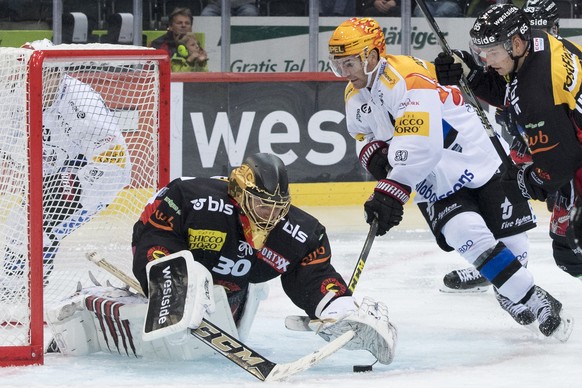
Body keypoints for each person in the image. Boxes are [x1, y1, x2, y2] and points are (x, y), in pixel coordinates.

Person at [327, 17, 572, 340]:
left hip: (479, 158)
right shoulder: (354, 95)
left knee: (513, 246)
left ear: (372, 55)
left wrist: (390, 191)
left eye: (350, 63)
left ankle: (505, 282)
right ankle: (533, 297)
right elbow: (362, 137)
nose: (345, 73)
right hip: (433, 181)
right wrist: (378, 161)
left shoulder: (406, 78)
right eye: (338, 65)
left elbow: (422, 144)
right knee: (467, 235)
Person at [46, 153, 397, 364]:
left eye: (279, 207)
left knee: (215, 312)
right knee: (185, 284)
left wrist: (335, 306)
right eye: (262, 204)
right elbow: (154, 235)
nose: (270, 216)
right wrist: (167, 274)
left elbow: (312, 274)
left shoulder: (300, 231)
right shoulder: (192, 198)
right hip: (182, 268)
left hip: (232, 289)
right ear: (239, 193)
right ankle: (97, 302)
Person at [434, 2, 582, 286]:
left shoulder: (538, 94)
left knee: (571, 252)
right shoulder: (537, 42)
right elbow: (511, 89)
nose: (487, 60)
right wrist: (472, 73)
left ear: (515, 43)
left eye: (492, 52)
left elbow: (558, 167)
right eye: (482, 53)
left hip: (571, 156)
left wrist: (526, 183)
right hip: (570, 140)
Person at [1, 39, 131, 292]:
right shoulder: (14, 96)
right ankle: (24, 282)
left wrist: (78, 192)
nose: (29, 78)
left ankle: (24, 282)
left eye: (46, 73)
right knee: (23, 222)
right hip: (50, 170)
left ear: (58, 73)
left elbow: (115, 164)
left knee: (33, 224)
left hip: (93, 174)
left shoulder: (83, 105)